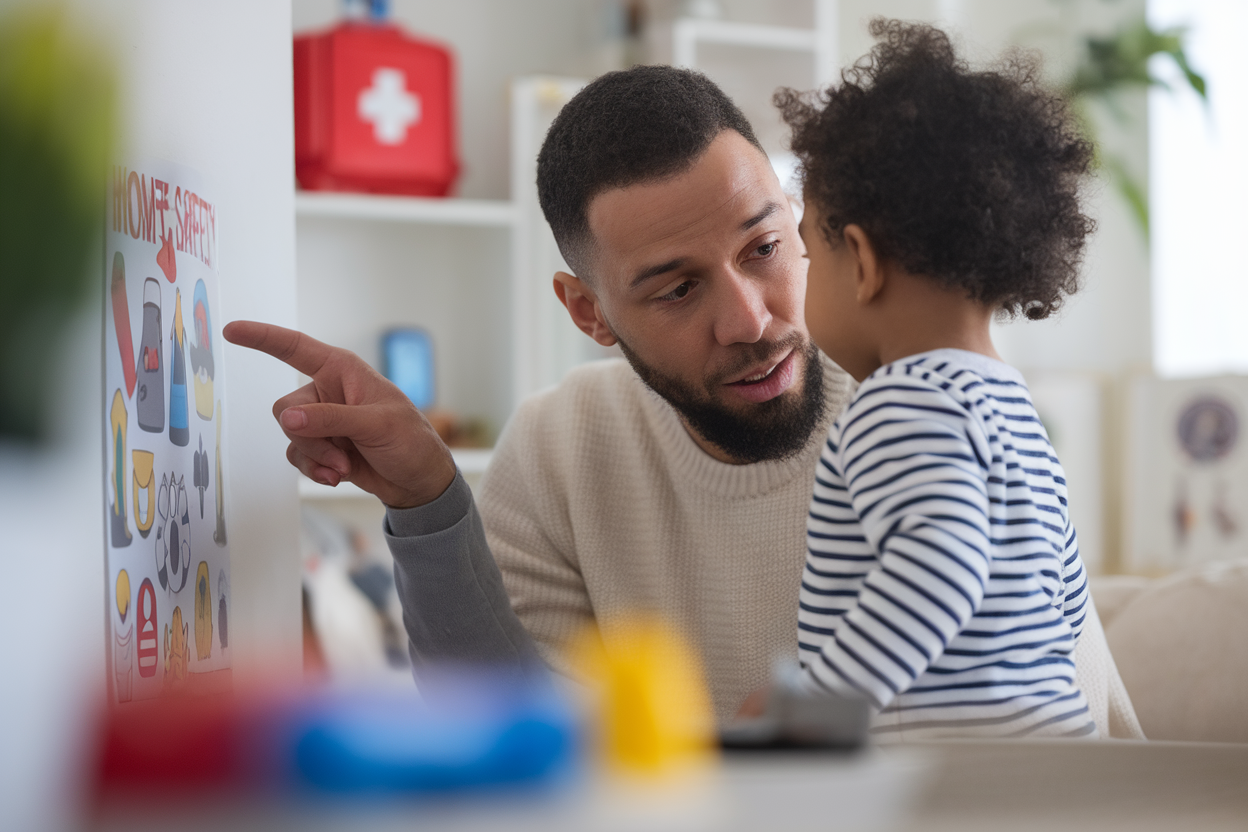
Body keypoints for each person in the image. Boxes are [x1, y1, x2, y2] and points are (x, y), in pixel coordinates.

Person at [223, 62, 1141, 735]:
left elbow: (1081, 714)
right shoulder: (561, 448)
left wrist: (804, 713)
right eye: (675, 289)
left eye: (764, 249)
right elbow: (517, 743)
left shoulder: (918, 402)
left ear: (802, 223)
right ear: (589, 313)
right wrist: (428, 503)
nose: (748, 320)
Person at [772, 19, 1100, 738]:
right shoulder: (1016, 413)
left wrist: (812, 707)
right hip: (1056, 755)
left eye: (806, 253)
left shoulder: (901, 400)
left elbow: (940, 564)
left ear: (860, 262)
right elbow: (1067, 605)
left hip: (955, 779)